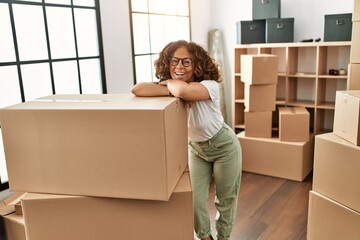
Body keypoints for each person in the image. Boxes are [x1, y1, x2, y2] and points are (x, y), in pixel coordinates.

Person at [131, 40, 242, 240]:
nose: (179, 67)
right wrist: (169, 85)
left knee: (225, 201)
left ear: (197, 65)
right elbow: (137, 89)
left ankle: (224, 238)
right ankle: (206, 237)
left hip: (224, 146)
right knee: (193, 200)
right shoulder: (173, 87)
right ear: (167, 64)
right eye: (174, 61)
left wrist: (171, 85)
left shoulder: (209, 86)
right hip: (196, 149)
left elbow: (183, 92)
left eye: (186, 62)